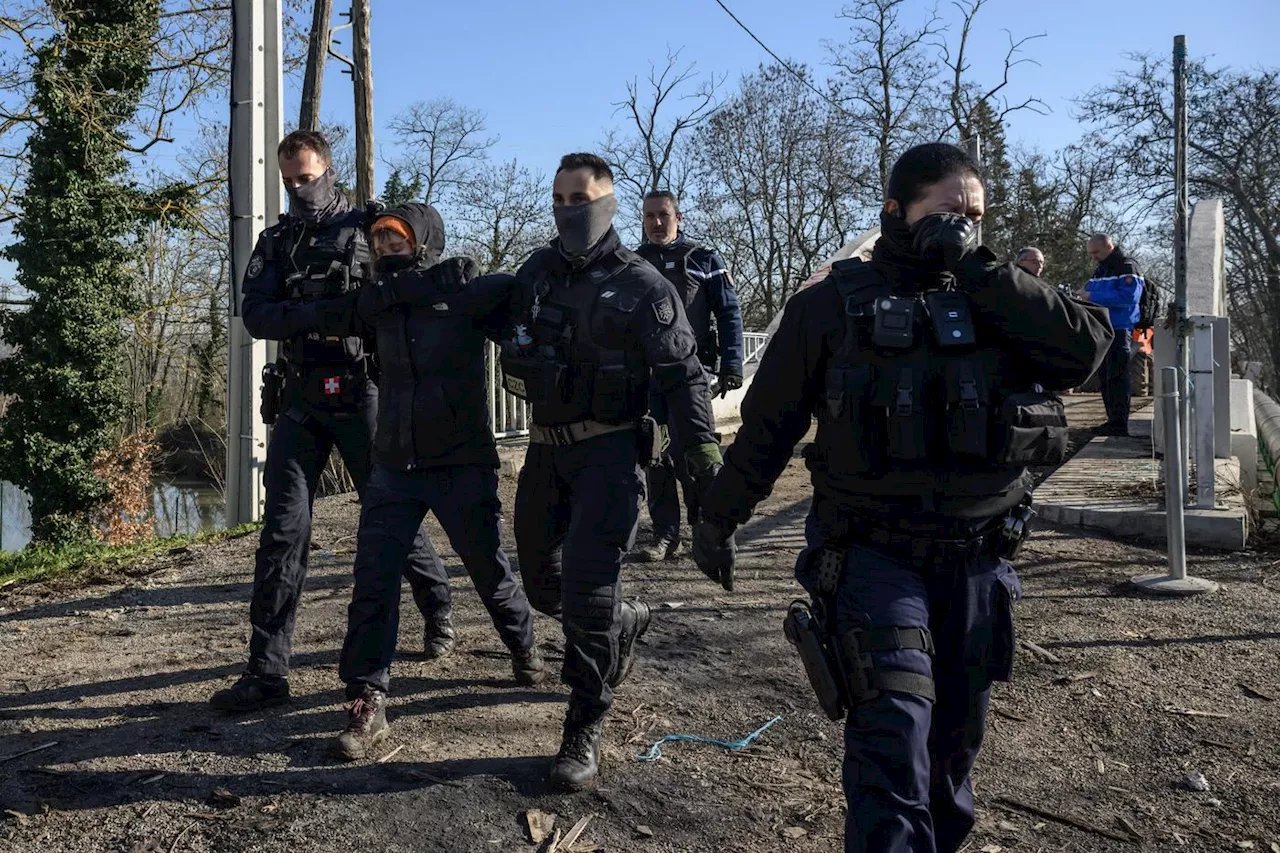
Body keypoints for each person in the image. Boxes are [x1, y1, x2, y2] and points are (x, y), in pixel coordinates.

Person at [692, 143, 1112, 852]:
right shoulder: (830, 304)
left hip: (978, 562)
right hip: (871, 556)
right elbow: (768, 425)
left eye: (976, 215)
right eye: (950, 211)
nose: (965, 225)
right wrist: (719, 516)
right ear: (896, 210)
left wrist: (978, 266)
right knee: (893, 742)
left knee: (952, 762)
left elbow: (1086, 352)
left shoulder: (998, 297)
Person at [210, 130, 453, 713]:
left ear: (330, 171)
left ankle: (437, 600)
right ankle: (267, 672)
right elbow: (258, 316)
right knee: (283, 533)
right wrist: (325, 312)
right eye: (288, 180)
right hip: (300, 396)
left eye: (307, 177)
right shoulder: (277, 241)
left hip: (364, 391)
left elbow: (411, 280)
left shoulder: (373, 229)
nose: (298, 189)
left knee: (386, 510)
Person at [503, 153, 722, 790]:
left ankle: (584, 722)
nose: (569, 208)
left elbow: (684, 379)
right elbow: (488, 317)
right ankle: (622, 620)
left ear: (609, 202)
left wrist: (704, 460)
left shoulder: (644, 285)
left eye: (581, 196)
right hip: (544, 453)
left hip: (611, 455)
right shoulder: (536, 272)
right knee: (543, 587)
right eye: (560, 197)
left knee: (589, 595)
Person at [324, 203, 546, 760]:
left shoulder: (464, 293)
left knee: (490, 571)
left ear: (423, 241)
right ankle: (366, 697)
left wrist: (472, 274)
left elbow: (520, 293)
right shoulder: (381, 303)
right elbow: (332, 313)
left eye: (395, 238)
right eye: (377, 240)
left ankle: (522, 643)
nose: (383, 247)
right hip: (394, 465)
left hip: (461, 460)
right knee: (373, 581)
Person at [633, 191, 744, 562]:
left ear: (678, 217)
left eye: (663, 215)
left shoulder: (704, 259)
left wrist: (732, 363)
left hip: (691, 374)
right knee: (656, 455)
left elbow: (729, 313)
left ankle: (707, 529)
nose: (656, 223)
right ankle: (666, 534)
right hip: (647, 377)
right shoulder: (633, 263)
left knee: (698, 454)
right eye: (649, 216)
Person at [1085, 233, 1144, 435]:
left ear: (1108, 247)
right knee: (1106, 376)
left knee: (1118, 375)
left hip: (1119, 328)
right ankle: (1112, 420)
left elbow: (1129, 297)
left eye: (1096, 252)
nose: (1093, 257)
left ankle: (1120, 423)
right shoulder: (1101, 269)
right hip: (1102, 329)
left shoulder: (1127, 267)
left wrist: (1090, 296)